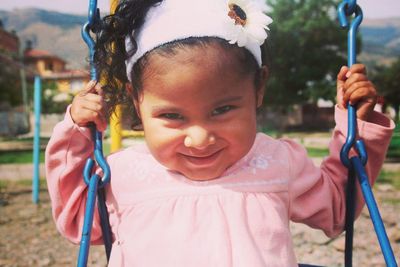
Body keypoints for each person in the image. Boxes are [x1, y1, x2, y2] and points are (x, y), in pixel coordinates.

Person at [45, 0, 395, 266]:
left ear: (258, 89)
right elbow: (78, 222)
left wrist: (357, 128)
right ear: (137, 103)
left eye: (222, 110)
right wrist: (75, 136)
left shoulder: (276, 160)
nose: (199, 139)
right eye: (171, 116)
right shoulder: (122, 174)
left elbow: (336, 209)